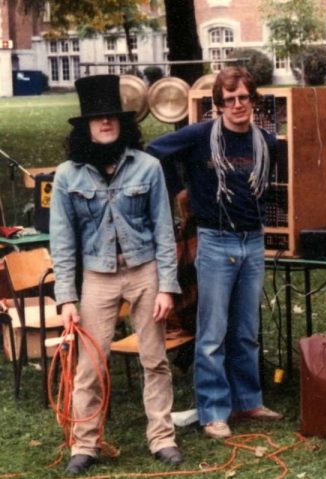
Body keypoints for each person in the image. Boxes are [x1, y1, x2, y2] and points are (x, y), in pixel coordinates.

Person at [49, 74, 183, 474]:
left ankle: (162, 437)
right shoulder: (66, 176)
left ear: (123, 122)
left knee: (154, 360)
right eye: (97, 118)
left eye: (112, 116)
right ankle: (84, 444)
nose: (105, 123)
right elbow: (62, 242)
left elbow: (164, 229)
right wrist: (67, 298)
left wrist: (167, 287)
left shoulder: (148, 167)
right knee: (90, 364)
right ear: (85, 126)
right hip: (97, 278)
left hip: (144, 274)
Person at [147, 67, 282, 441]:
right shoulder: (201, 135)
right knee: (212, 333)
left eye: (244, 98)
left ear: (254, 101)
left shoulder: (266, 142)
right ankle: (213, 411)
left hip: (252, 240)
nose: (237, 105)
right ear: (219, 103)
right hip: (215, 240)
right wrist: (179, 191)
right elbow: (154, 152)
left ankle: (248, 401)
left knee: (247, 330)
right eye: (229, 99)